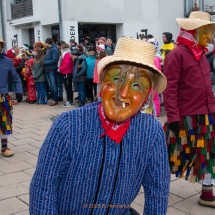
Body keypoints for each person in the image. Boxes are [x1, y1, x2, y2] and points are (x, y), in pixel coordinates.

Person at [30, 37, 170, 215]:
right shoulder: (67, 125)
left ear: (146, 96)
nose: (123, 93)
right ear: (103, 81)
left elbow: (157, 191)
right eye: (117, 79)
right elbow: (43, 188)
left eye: (136, 85)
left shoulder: (152, 133)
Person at [163, 11, 215, 208]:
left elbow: (205, 87)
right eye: (205, 32)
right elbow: (169, 88)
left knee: (208, 155)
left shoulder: (202, 55)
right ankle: (156, 186)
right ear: (192, 32)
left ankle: (207, 194)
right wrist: (174, 118)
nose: (209, 37)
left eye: (210, 32)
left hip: (207, 116)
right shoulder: (176, 55)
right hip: (185, 118)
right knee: (171, 156)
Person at [0, 37, 23, 157]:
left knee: (4, 122)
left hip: (3, 96)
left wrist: (19, 91)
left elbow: (16, 78)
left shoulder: (7, 61)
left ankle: (4, 147)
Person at [43, 38, 59, 106]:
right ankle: (53, 99)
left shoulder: (54, 49)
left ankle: (55, 99)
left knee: (53, 85)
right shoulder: (47, 49)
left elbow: (54, 60)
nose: (45, 44)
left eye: (45, 43)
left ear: (47, 43)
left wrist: (45, 62)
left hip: (52, 69)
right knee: (50, 86)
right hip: (48, 69)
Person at [58, 43, 74, 107]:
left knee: (68, 87)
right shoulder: (65, 54)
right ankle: (69, 100)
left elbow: (67, 64)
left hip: (67, 72)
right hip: (65, 72)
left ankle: (70, 101)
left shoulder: (67, 54)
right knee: (67, 87)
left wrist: (60, 69)